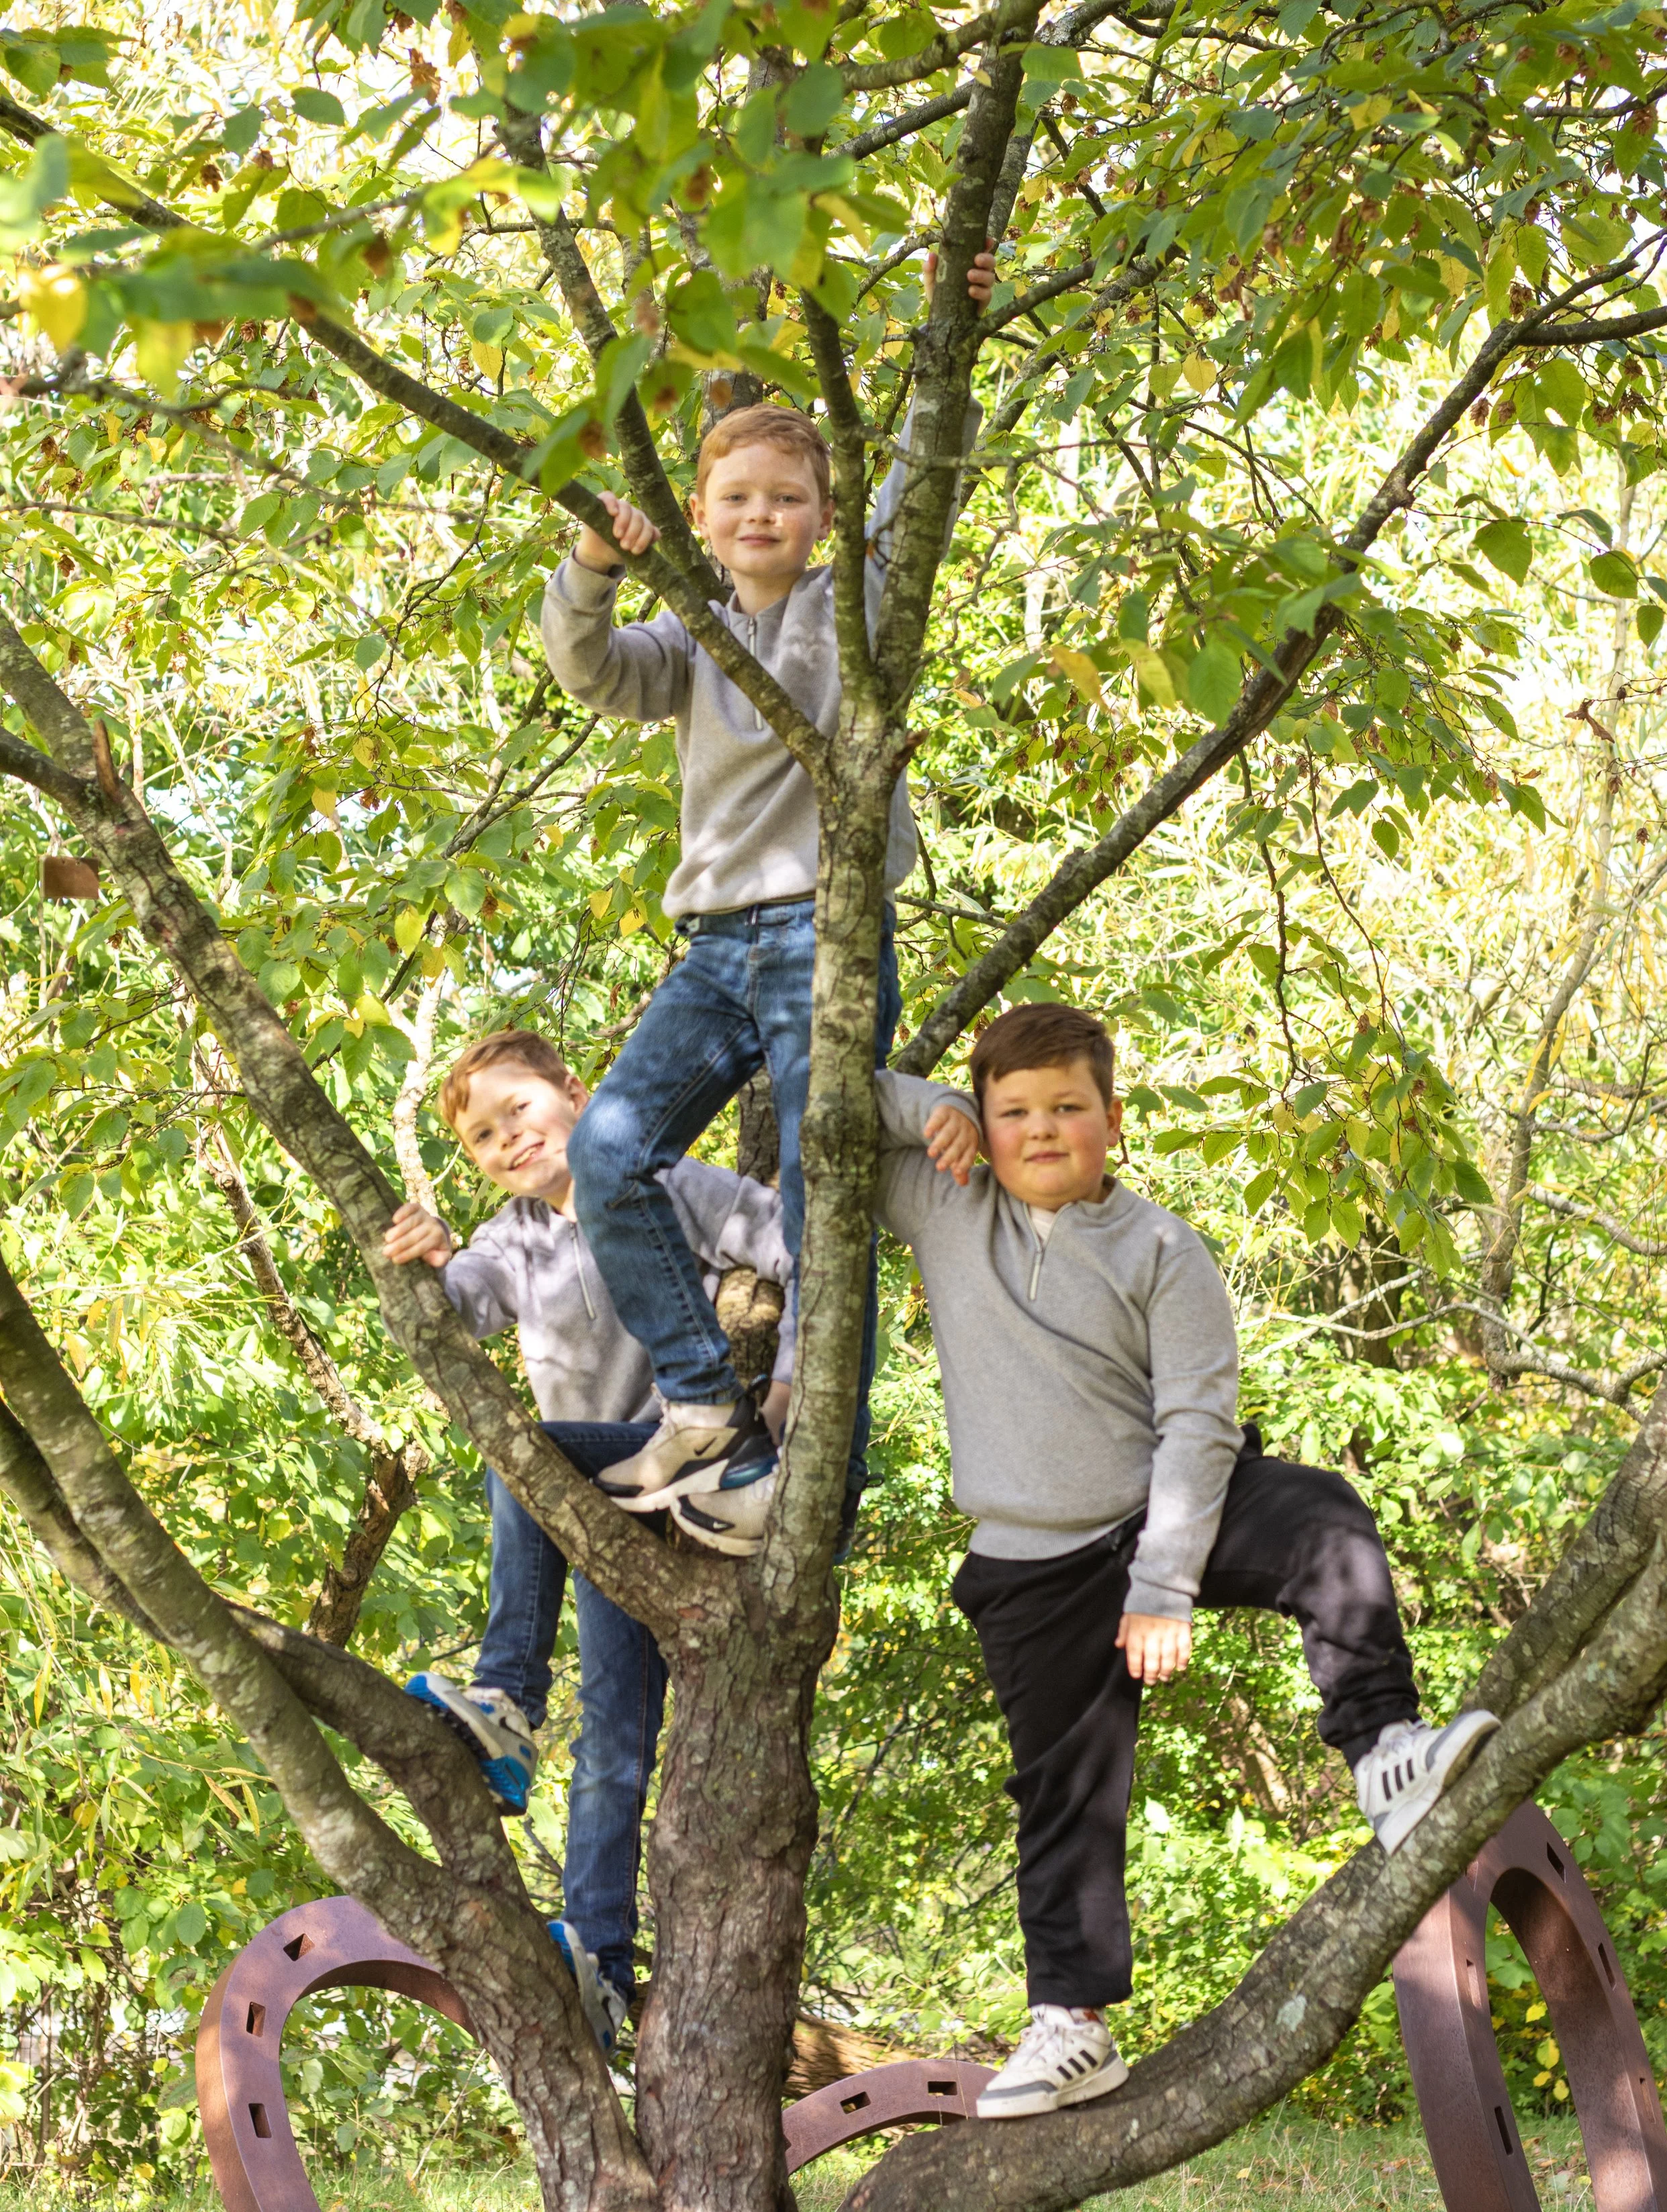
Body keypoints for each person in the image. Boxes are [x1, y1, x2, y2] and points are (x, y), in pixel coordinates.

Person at [874, 1002, 1501, 2120]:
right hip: (1031, 1558)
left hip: (1164, 1508)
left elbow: (1201, 1420)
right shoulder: (941, 1200)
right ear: (983, 1119)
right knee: (1062, 1794)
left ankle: (1384, 1748)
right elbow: (818, 1101)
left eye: (1068, 1106)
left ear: (1113, 1119)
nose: (1041, 1129)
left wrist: (1162, 1585)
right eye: (1012, 1110)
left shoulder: (1163, 1247)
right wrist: (935, 1109)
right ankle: (1071, 2024)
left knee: (1324, 1516)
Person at [540, 246, 996, 1557]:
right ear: (697, 509)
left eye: (784, 497)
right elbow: (586, 667)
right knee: (608, 1149)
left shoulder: (850, 607)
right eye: (733, 496)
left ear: (818, 511)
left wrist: (943, 336)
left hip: (823, 937)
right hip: (713, 951)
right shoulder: (685, 637)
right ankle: (700, 1403)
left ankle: (810, 1481)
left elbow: (914, 493)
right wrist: (592, 556)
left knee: (819, 1201)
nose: (758, 515)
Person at [380, 1028, 796, 2046]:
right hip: (604, 1501)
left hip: (685, 1461)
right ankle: (601, 1962)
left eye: (519, 1108)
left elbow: (804, 1248)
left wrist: (787, 1395)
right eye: (482, 1133)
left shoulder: (662, 1180)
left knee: (526, 1449)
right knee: (614, 1734)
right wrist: (428, 1256)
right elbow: (454, 1314)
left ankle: (510, 1695)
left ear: (576, 1092)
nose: (507, 1137)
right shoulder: (515, 1236)